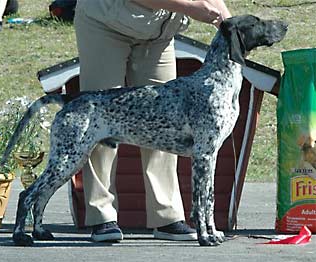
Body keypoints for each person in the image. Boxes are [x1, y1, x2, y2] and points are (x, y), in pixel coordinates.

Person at [74, 0, 231, 242]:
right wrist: (190, 7)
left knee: (169, 121)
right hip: (105, 21)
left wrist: (229, 25)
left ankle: (166, 216)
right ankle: (101, 215)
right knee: (100, 120)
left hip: (158, 30)